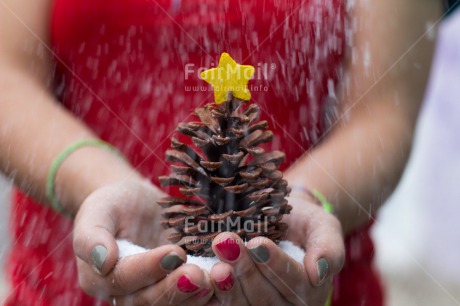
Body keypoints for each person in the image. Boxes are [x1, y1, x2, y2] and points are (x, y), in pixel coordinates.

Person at [0, 0, 440, 305]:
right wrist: (96, 182)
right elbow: (8, 77)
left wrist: (300, 202)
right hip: (61, 291)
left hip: (301, 283)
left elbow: (384, 115)